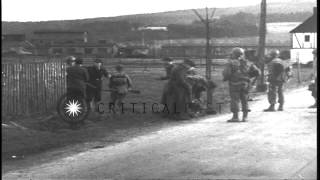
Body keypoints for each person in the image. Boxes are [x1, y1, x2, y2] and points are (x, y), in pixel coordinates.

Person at [222, 47, 261, 122]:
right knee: (245, 100)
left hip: (234, 84)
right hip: (245, 84)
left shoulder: (230, 63)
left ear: (234, 54)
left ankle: (235, 117)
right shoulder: (248, 63)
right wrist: (249, 77)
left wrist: (226, 78)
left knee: (235, 100)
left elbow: (227, 73)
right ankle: (245, 117)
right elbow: (258, 72)